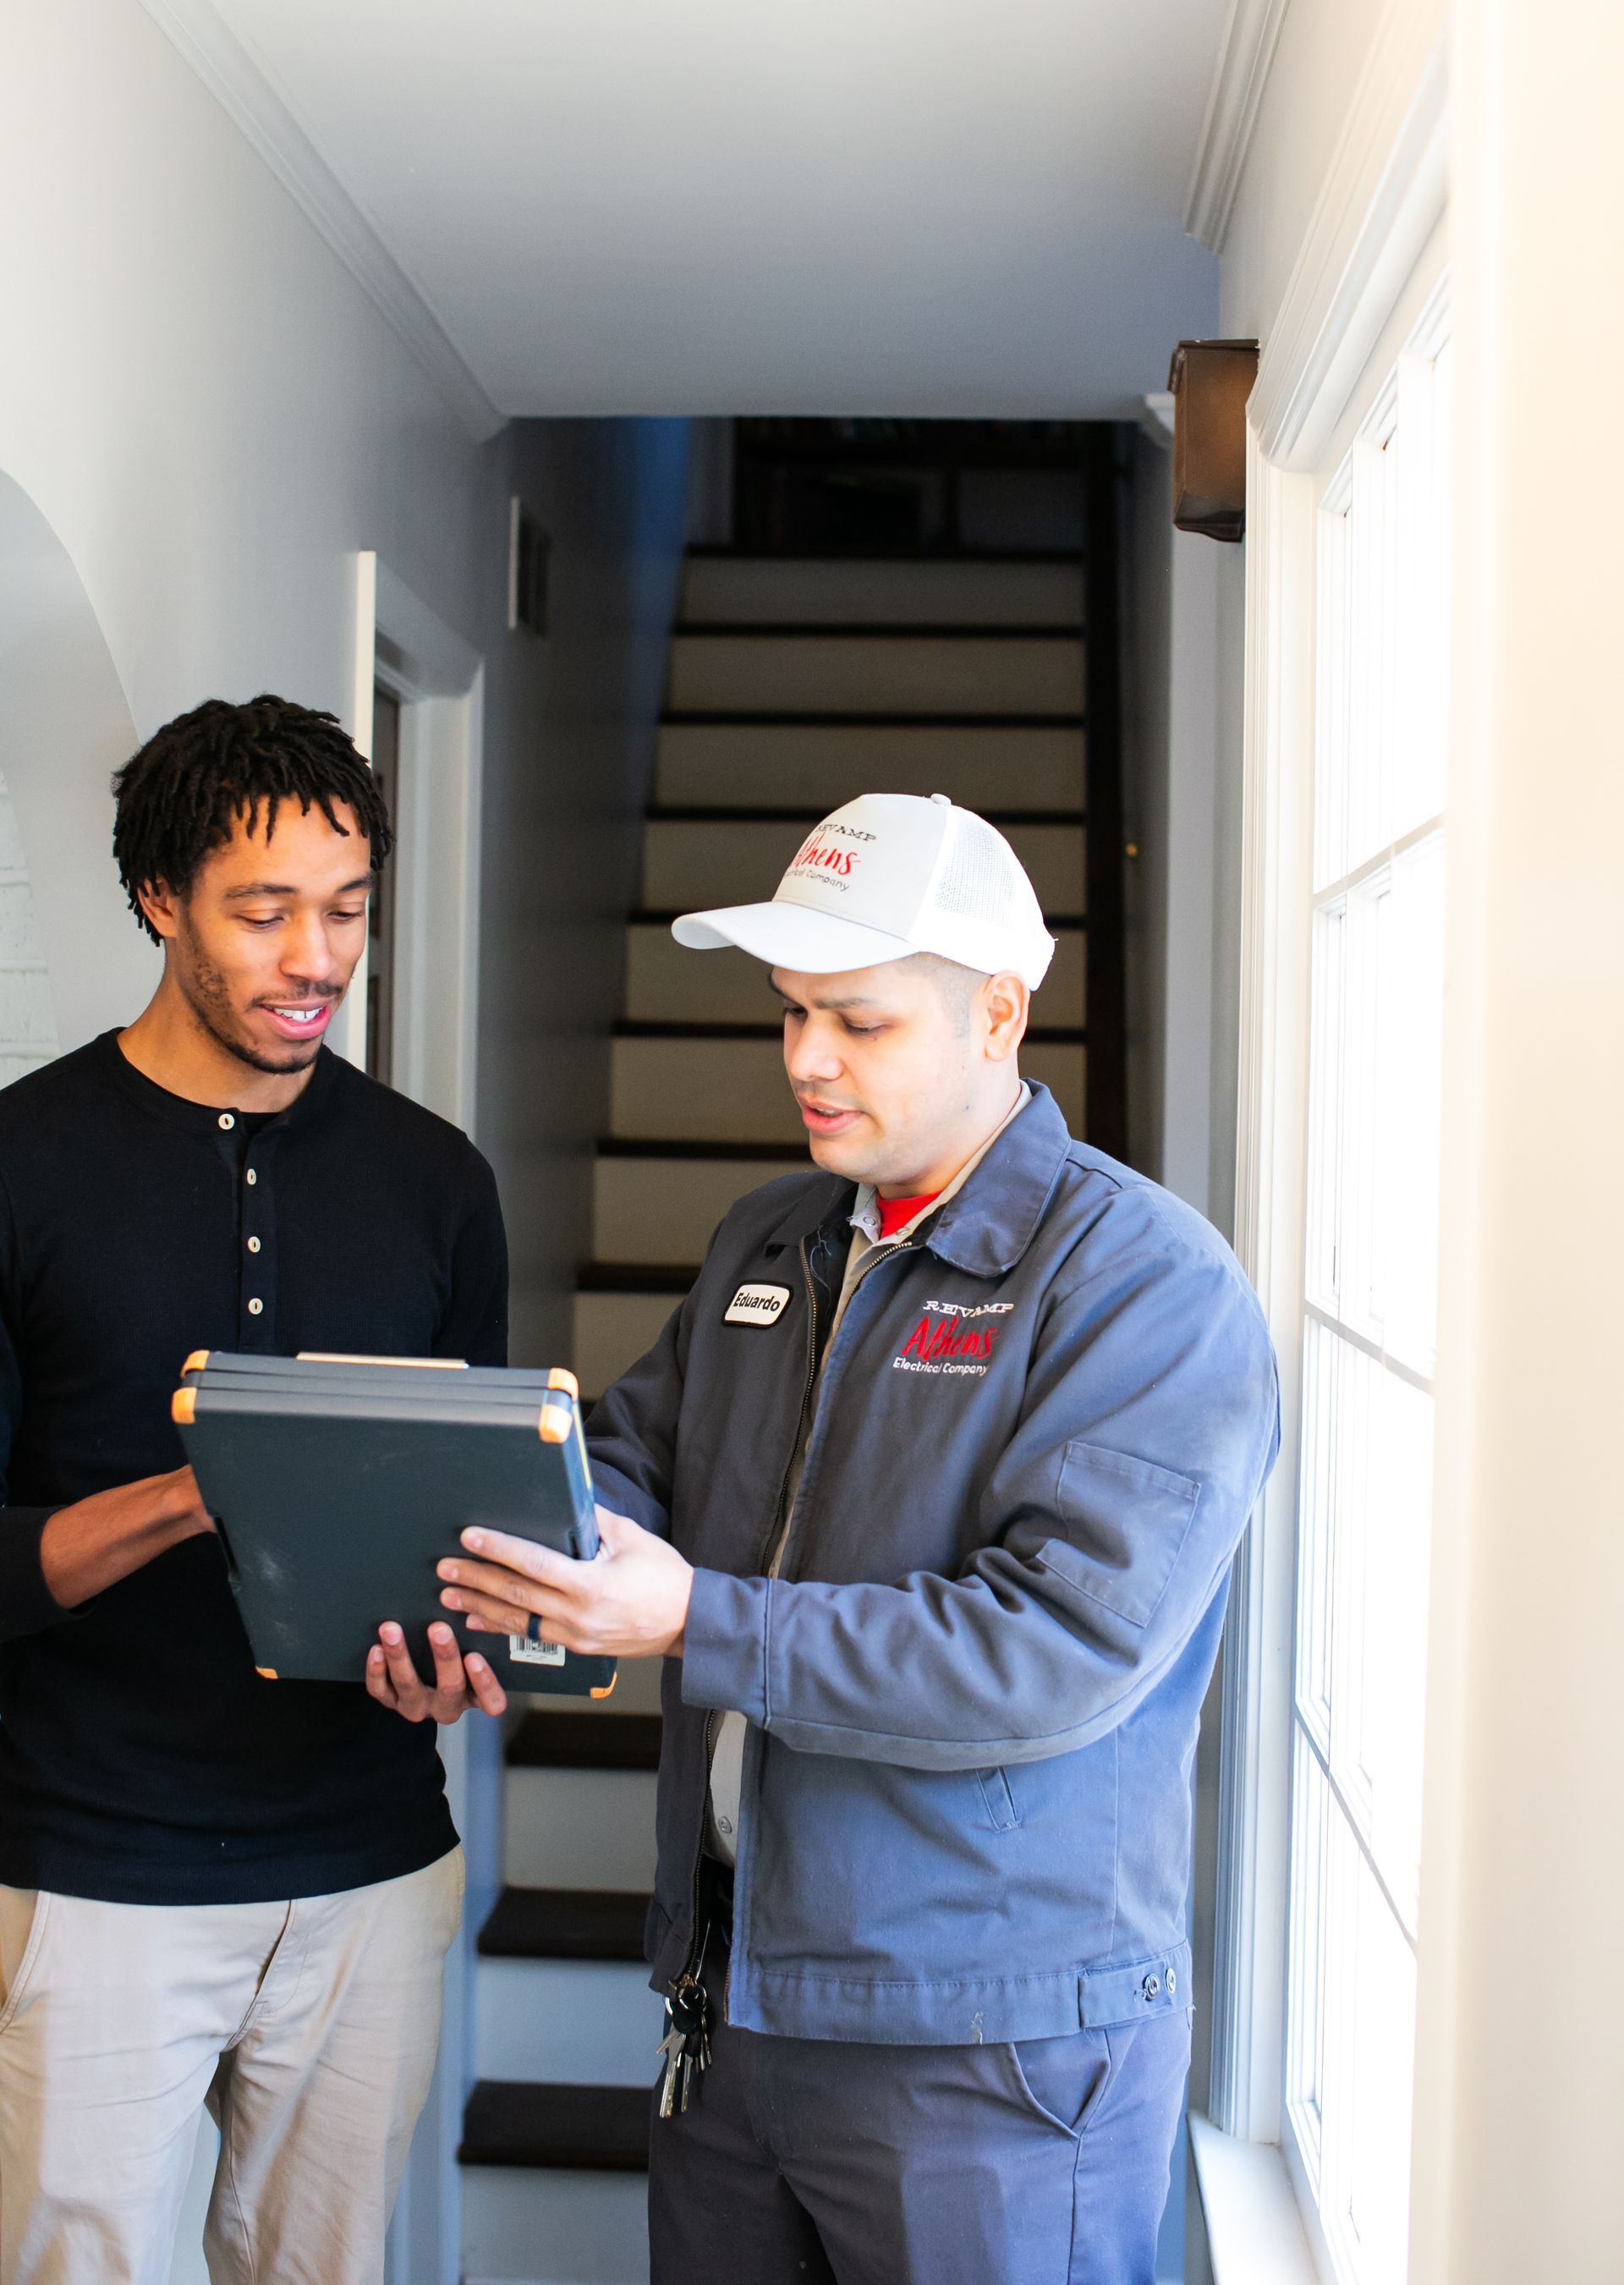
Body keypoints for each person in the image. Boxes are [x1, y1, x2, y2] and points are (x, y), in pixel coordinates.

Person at [436, 792, 1280, 2285]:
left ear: (999, 1013)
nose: (807, 1061)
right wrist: (497, 1583)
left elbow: (1048, 1650)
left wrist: (694, 1616)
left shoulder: (1150, 1288)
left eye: (859, 1021)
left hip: (991, 2050)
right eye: (790, 1015)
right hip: (738, 2011)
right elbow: (627, 1465)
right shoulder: (775, 1240)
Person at [0, 695, 510, 2285]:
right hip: (94, 1874)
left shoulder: (440, 1182)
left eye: (347, 908)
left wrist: (466, 1654)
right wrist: (189, 1488)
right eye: (264, 910)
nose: (318, 958)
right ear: (161, 900)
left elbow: (465, 1530)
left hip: (370, 1867)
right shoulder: (21, 1163)